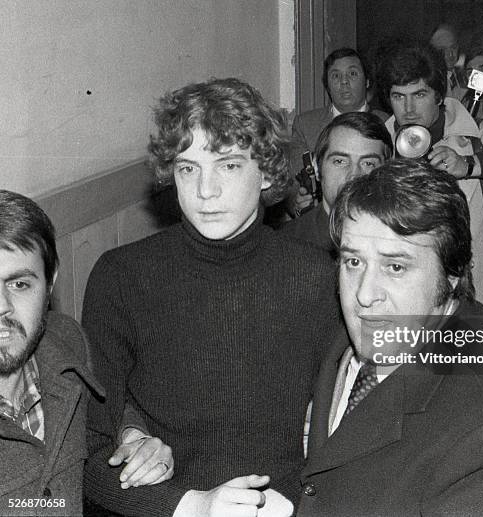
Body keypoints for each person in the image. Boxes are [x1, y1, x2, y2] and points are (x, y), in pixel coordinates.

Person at [83, 78, 340, 516]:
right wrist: (191, 506)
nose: (205, 191)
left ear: (267, 172)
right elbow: (88, 457)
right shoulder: (122, 276)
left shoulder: (319, 279)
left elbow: (352, 440)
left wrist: (297, 505)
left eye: (229, 165)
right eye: (188, 168)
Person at [297, 160, 483, 517]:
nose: (365, 295)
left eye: (395, 267)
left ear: (451, 275)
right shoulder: (346, 341)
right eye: (353, 262)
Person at [0, 191, 171, 516]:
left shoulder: (66, 342)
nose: (2, 307)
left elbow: (98, 418)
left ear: (50, 284)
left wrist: (134, 437)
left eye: (19, 284)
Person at [379, 40, 483, 338]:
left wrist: (470, 164)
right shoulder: (379, 142)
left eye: (419, 94)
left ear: (439, 95)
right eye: (398, 96)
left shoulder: (477, 134)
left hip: (477, 291)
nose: (408, 109)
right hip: (407, 295)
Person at [289, 48, 388, 215]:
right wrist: (298, 201)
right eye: (336, 76)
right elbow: (292, 186)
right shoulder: (306, 125)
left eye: (353, 74)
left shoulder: (388, 124)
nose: (344, 82)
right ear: (327, 85)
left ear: (367, 81)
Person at [281, 111, 392, 252]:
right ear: (316, 167)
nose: (354, 175)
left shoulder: (402, 241)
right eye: (340, 161)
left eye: (368, 163)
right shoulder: (283, 245)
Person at [430, 24, 466, 99]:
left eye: (453, 47)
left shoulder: (464, 77)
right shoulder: (428, 81)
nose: (450, 54)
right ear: (431, 51)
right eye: (442, 49)